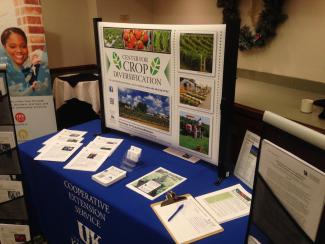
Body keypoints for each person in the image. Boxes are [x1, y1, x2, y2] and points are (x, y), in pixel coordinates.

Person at [0, 27, 51, 96]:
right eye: (12, 46)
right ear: (4, 48)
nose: (19, 50)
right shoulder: (4, 74)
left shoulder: (37, 68)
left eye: (23, 46)